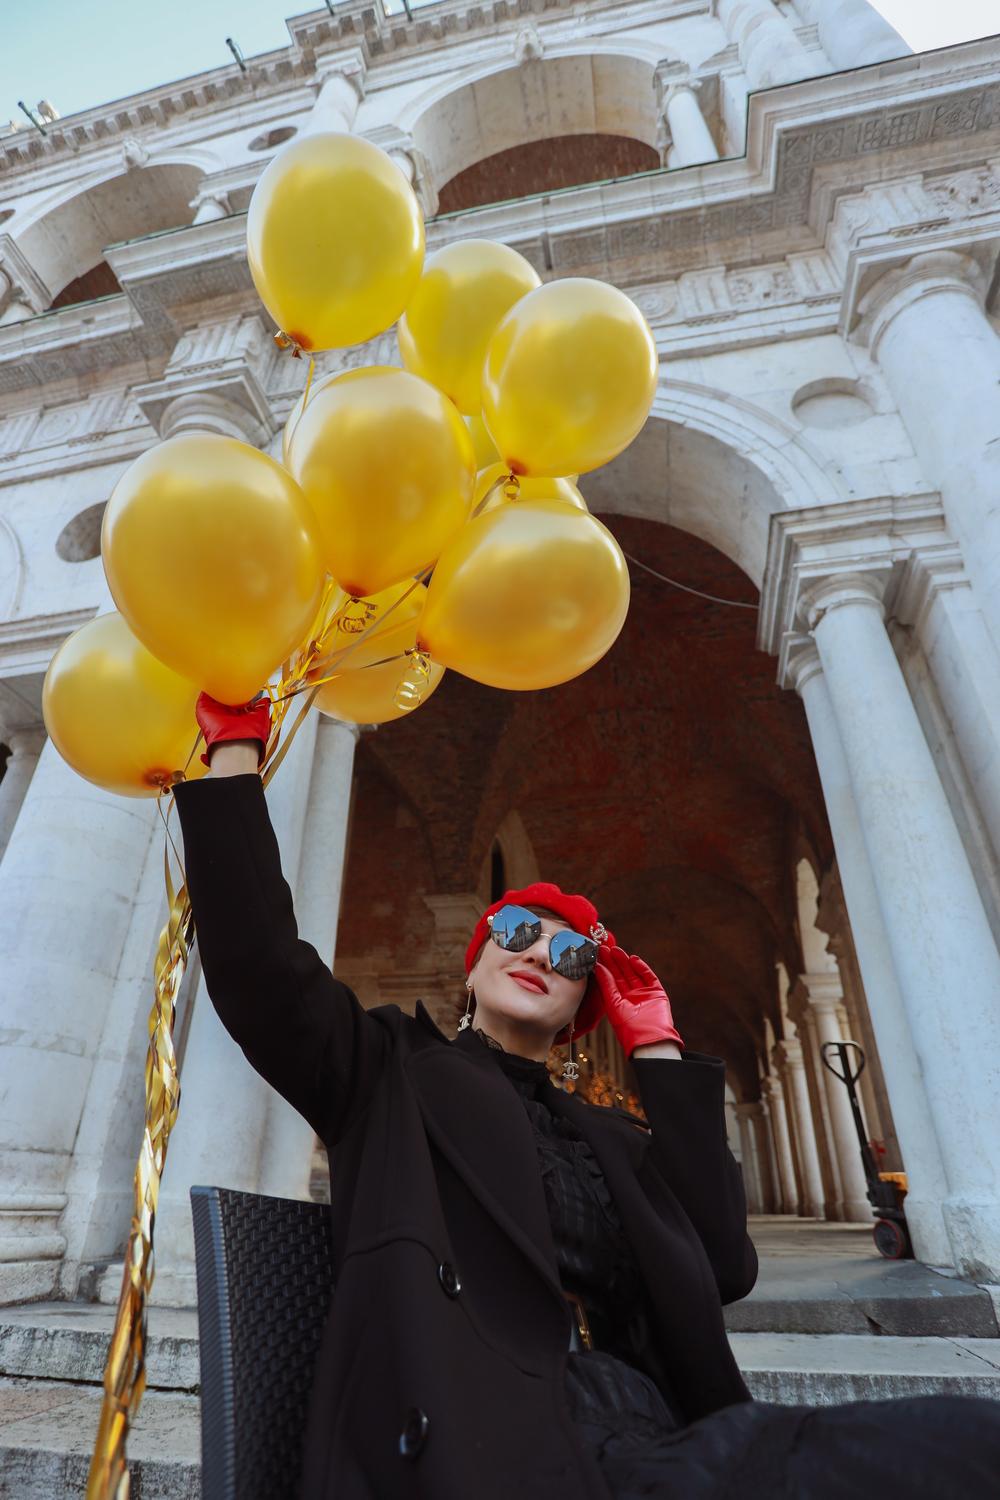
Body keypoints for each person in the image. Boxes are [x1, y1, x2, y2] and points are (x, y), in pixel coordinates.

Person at [171, 693, 1000, 1500]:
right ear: (475, 962)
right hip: (480, 1439)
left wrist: (659, 1049)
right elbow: (259, 968)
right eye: (515, 931)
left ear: (581, 1012)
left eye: (571, 956)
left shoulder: (609, 1135)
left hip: (649, 1425)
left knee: (963, 1443)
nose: (539, 952)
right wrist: (234, 755)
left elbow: (722, 1266)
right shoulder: (386, 1069)